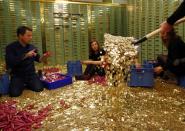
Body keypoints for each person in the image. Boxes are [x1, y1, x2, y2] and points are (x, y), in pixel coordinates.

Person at [5, 26, 50, 97]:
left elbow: (39, 60)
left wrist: (44, 57)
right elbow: (10, 63)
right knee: (14, 94)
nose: (31, 37)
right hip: (17, 75)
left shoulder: (32, 47)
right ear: (20, 36)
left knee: (39, 88)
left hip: (31, 74)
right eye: (28, 35)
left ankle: (27, 84)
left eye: (31, 35)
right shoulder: (10, 48)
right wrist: (26, 55)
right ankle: (21, 84)